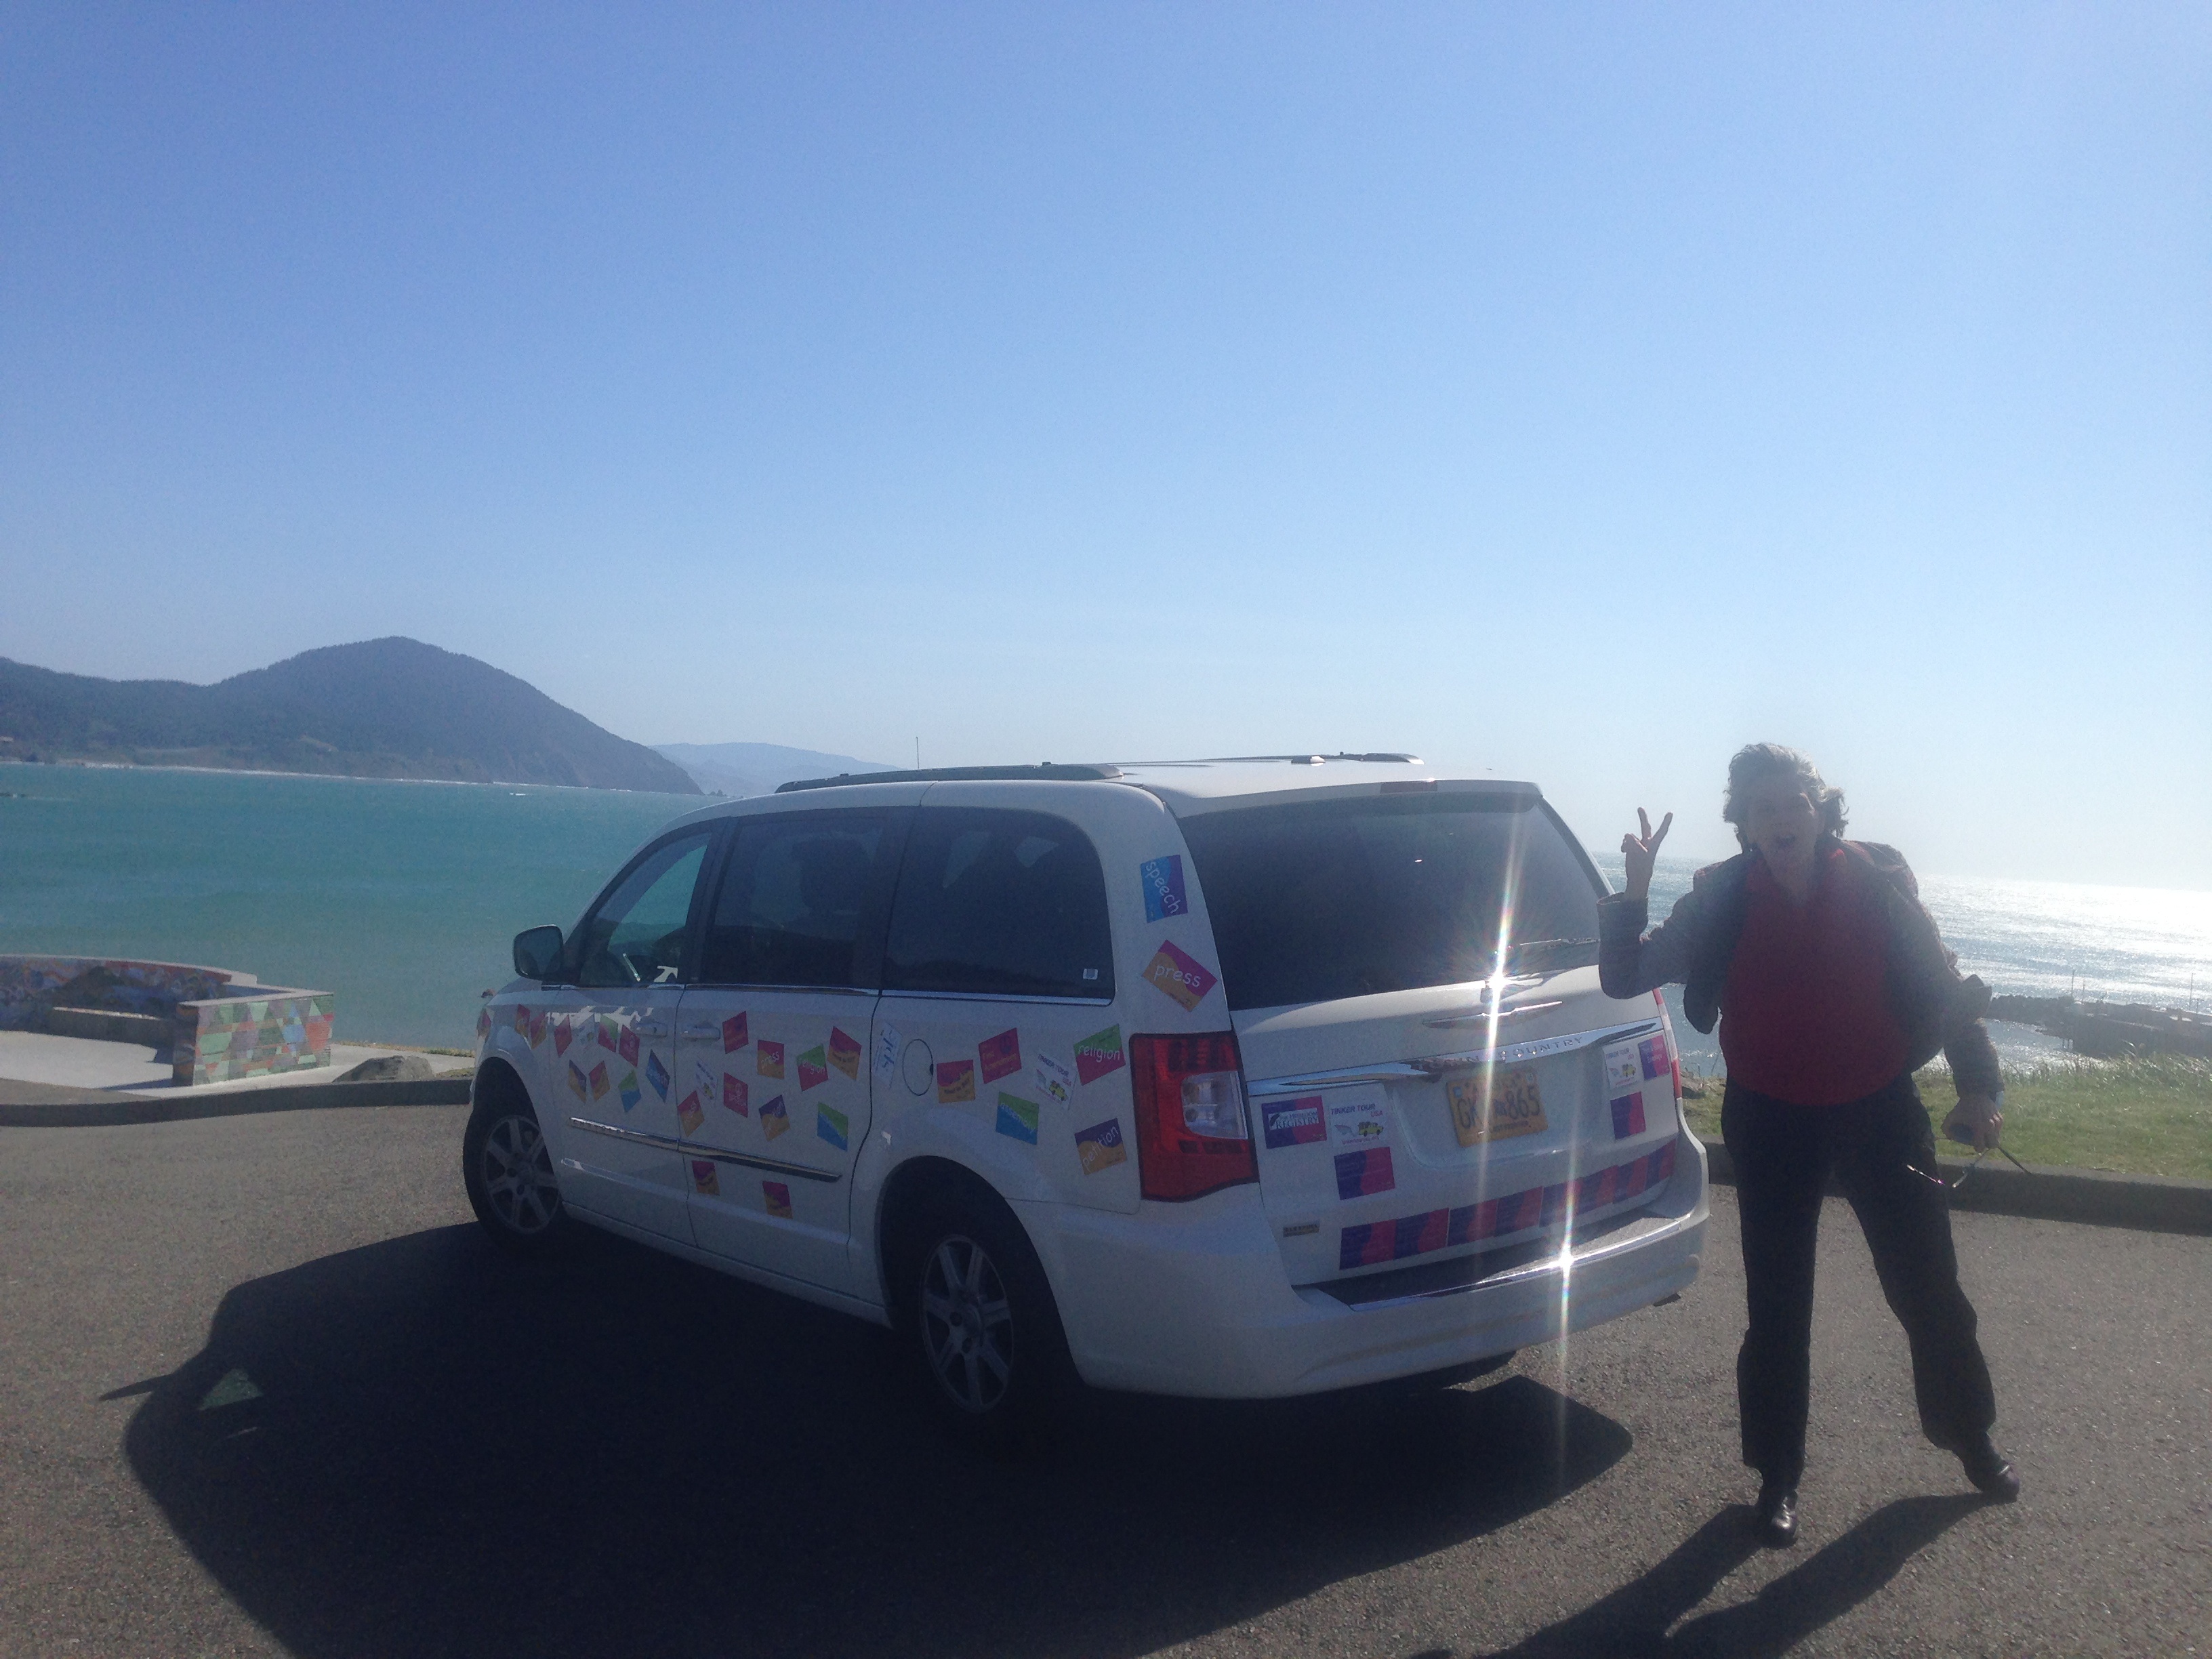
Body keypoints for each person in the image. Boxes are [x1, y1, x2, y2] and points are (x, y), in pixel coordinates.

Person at [1599, 743, 2020, 1547]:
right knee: (1778, 1307)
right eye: (1764, 807)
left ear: (1822, 810)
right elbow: (1626, 977)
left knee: (1929, 1290)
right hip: (1771, 1120)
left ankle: (1971, 1437)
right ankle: (1778, 1476)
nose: (1783, 816)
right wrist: (1636, 892)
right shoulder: (1721, 896)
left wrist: (1978, 1087)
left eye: (1795, 800)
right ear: (1746, 823)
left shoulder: (1878, 879)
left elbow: (1944, 988)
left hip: (1879, 1109)